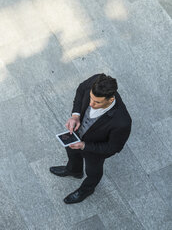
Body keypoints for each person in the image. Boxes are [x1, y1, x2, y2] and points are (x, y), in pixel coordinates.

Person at [50, 73, 132, 204]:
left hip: (95, 151)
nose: (91, 104)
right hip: (76, 133)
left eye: (97, 102)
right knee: (71, 152)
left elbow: (113, 148)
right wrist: (75, 115)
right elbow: (81, 89)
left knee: (93, 172)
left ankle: (87, 189)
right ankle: (74, 170)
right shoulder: (96, 81)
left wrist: (84, 146)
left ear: (110, 100)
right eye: (91, 98)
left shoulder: (122, 122)